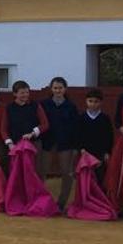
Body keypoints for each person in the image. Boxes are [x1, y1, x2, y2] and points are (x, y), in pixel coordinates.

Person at [40, 76, 79, 210]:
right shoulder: (44, 104)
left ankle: (61, 203)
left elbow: (75, 127)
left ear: (65, 89)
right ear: (51, 89)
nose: (58, 90)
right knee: (42, 171)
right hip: (47, 141)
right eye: (55, 88)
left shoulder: (71, 106)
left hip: (65, 143)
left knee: (66, 173)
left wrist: (75, 147)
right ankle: (41, 200)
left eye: (60, 88)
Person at [77, 88, 113, 184]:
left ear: (101, 102)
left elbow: (109, 136)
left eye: (96, 101)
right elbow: (77, 135)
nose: (93, 104)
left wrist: (107, 152)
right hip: (86, 152)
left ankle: (100, 198)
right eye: (90, 101)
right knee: (86, 179)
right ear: (86, 101)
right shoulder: (81, 118)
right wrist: (81, 148)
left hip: (100, 152)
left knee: (101, 178)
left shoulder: (105, 118)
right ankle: (87, 198)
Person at [2, 80, 48, 150]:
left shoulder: (35, 105)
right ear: (15, 93)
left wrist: (32, 134)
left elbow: (45, 124)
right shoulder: (9, 108)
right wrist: (9, 143)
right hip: (15, 144)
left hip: (33, 143)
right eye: (22, 93)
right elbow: (3, 129)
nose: (25, 95)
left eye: (27, 92)